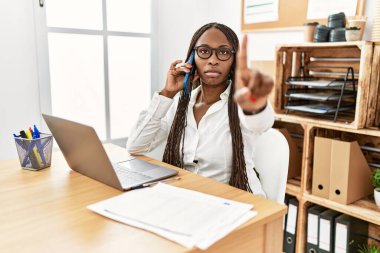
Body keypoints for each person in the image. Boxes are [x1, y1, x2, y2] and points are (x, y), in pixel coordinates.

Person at [127, 22, 274, 197]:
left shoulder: (242, 104)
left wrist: (255, 107)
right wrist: (167, 93)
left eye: (224, 52)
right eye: (204, 51)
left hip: (236, 201)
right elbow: (136, 146)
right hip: (188, 199)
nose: (213, 60)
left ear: (234, 59)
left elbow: (260, 124)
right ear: (192, 59)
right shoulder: (181, 105)